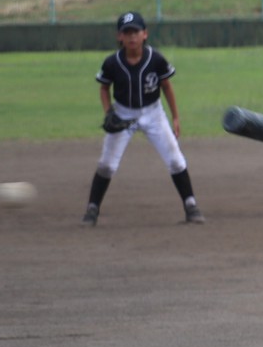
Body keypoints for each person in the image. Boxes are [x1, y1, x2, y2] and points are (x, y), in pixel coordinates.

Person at [80, 12, 204, 227]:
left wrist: (175, 117)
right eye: (127, 32)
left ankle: (191, 205)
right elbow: (104, 88)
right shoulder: (112, 62)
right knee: (107, 165)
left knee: (175, 159)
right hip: (123, 112)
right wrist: (109, 112)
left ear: (145, 34)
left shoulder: (156, 59)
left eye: (136, 32)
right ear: (119, 36)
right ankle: (92, 209)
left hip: (153, 113)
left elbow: (166, 86)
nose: (132, 37)